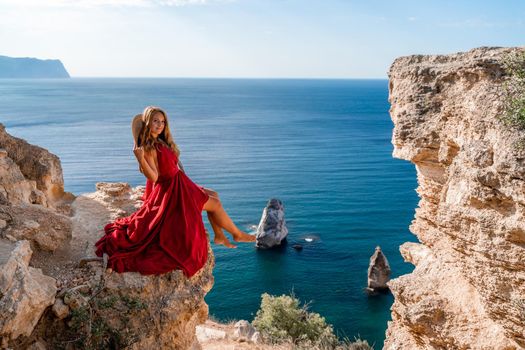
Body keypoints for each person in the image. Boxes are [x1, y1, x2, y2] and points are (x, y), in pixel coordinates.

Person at [94, 106, 255, 277]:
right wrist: (140, 158)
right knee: (214, 204)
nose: (160, 125)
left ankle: (219, 235)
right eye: (156, 121)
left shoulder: (162, 141)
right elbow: (154, 177)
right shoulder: (148, 148)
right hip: (171, 190)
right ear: (148, 123)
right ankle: (237, 234)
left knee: (214, 195)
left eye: (162, 122)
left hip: (181, 183)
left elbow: (173, 165)